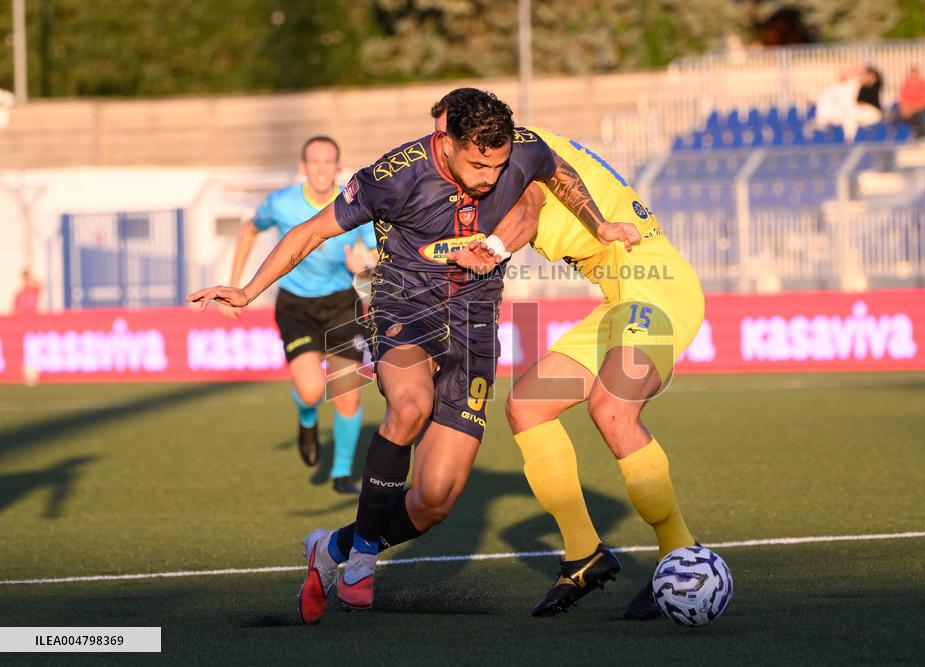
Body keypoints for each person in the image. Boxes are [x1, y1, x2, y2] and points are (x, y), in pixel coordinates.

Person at [186, 88, 640, 623]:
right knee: (409, 406)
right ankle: (360, 561)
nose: (489, 177)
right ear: (446, 141)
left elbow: (557, 173)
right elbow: (309, 232)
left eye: (497, 166)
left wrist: (600, 225)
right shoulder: (393, 176)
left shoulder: (519, 150)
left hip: (474, 323)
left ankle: (332, 549)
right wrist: (249, 289)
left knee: (435, 499)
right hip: (405, 305)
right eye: (477, 164)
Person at [433, 89, 704, 620]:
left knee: (612, 409)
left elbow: (528, 214)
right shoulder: (494, 163)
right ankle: (585, 554)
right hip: (620, 299)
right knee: (527, 406)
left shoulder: (516, 157)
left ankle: (682, 553)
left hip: (655, 286)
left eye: (446, 138)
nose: (439, 151)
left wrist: (488, 253)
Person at [226, 135, 377, 494]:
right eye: (314, 162)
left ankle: (342, 474)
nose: (321, 169)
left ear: (338, 168)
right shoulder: (281, 203)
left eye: (328, 162)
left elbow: (377, 254)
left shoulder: (355, 202)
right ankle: (307, 418)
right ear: (303, 167)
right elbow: (249, 229)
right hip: (296, 304)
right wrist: (235, 284)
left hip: (343, 302)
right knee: (310, 391)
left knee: (348, 395)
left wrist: (365, 263)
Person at [815, 64, 882, 142]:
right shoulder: (836, 89)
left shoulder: (868, 85)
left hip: (869, 113)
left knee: (851, 118)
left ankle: (849, 141)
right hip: (851, 113)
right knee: (848, 117)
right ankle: (848, 141)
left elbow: (870, 80)